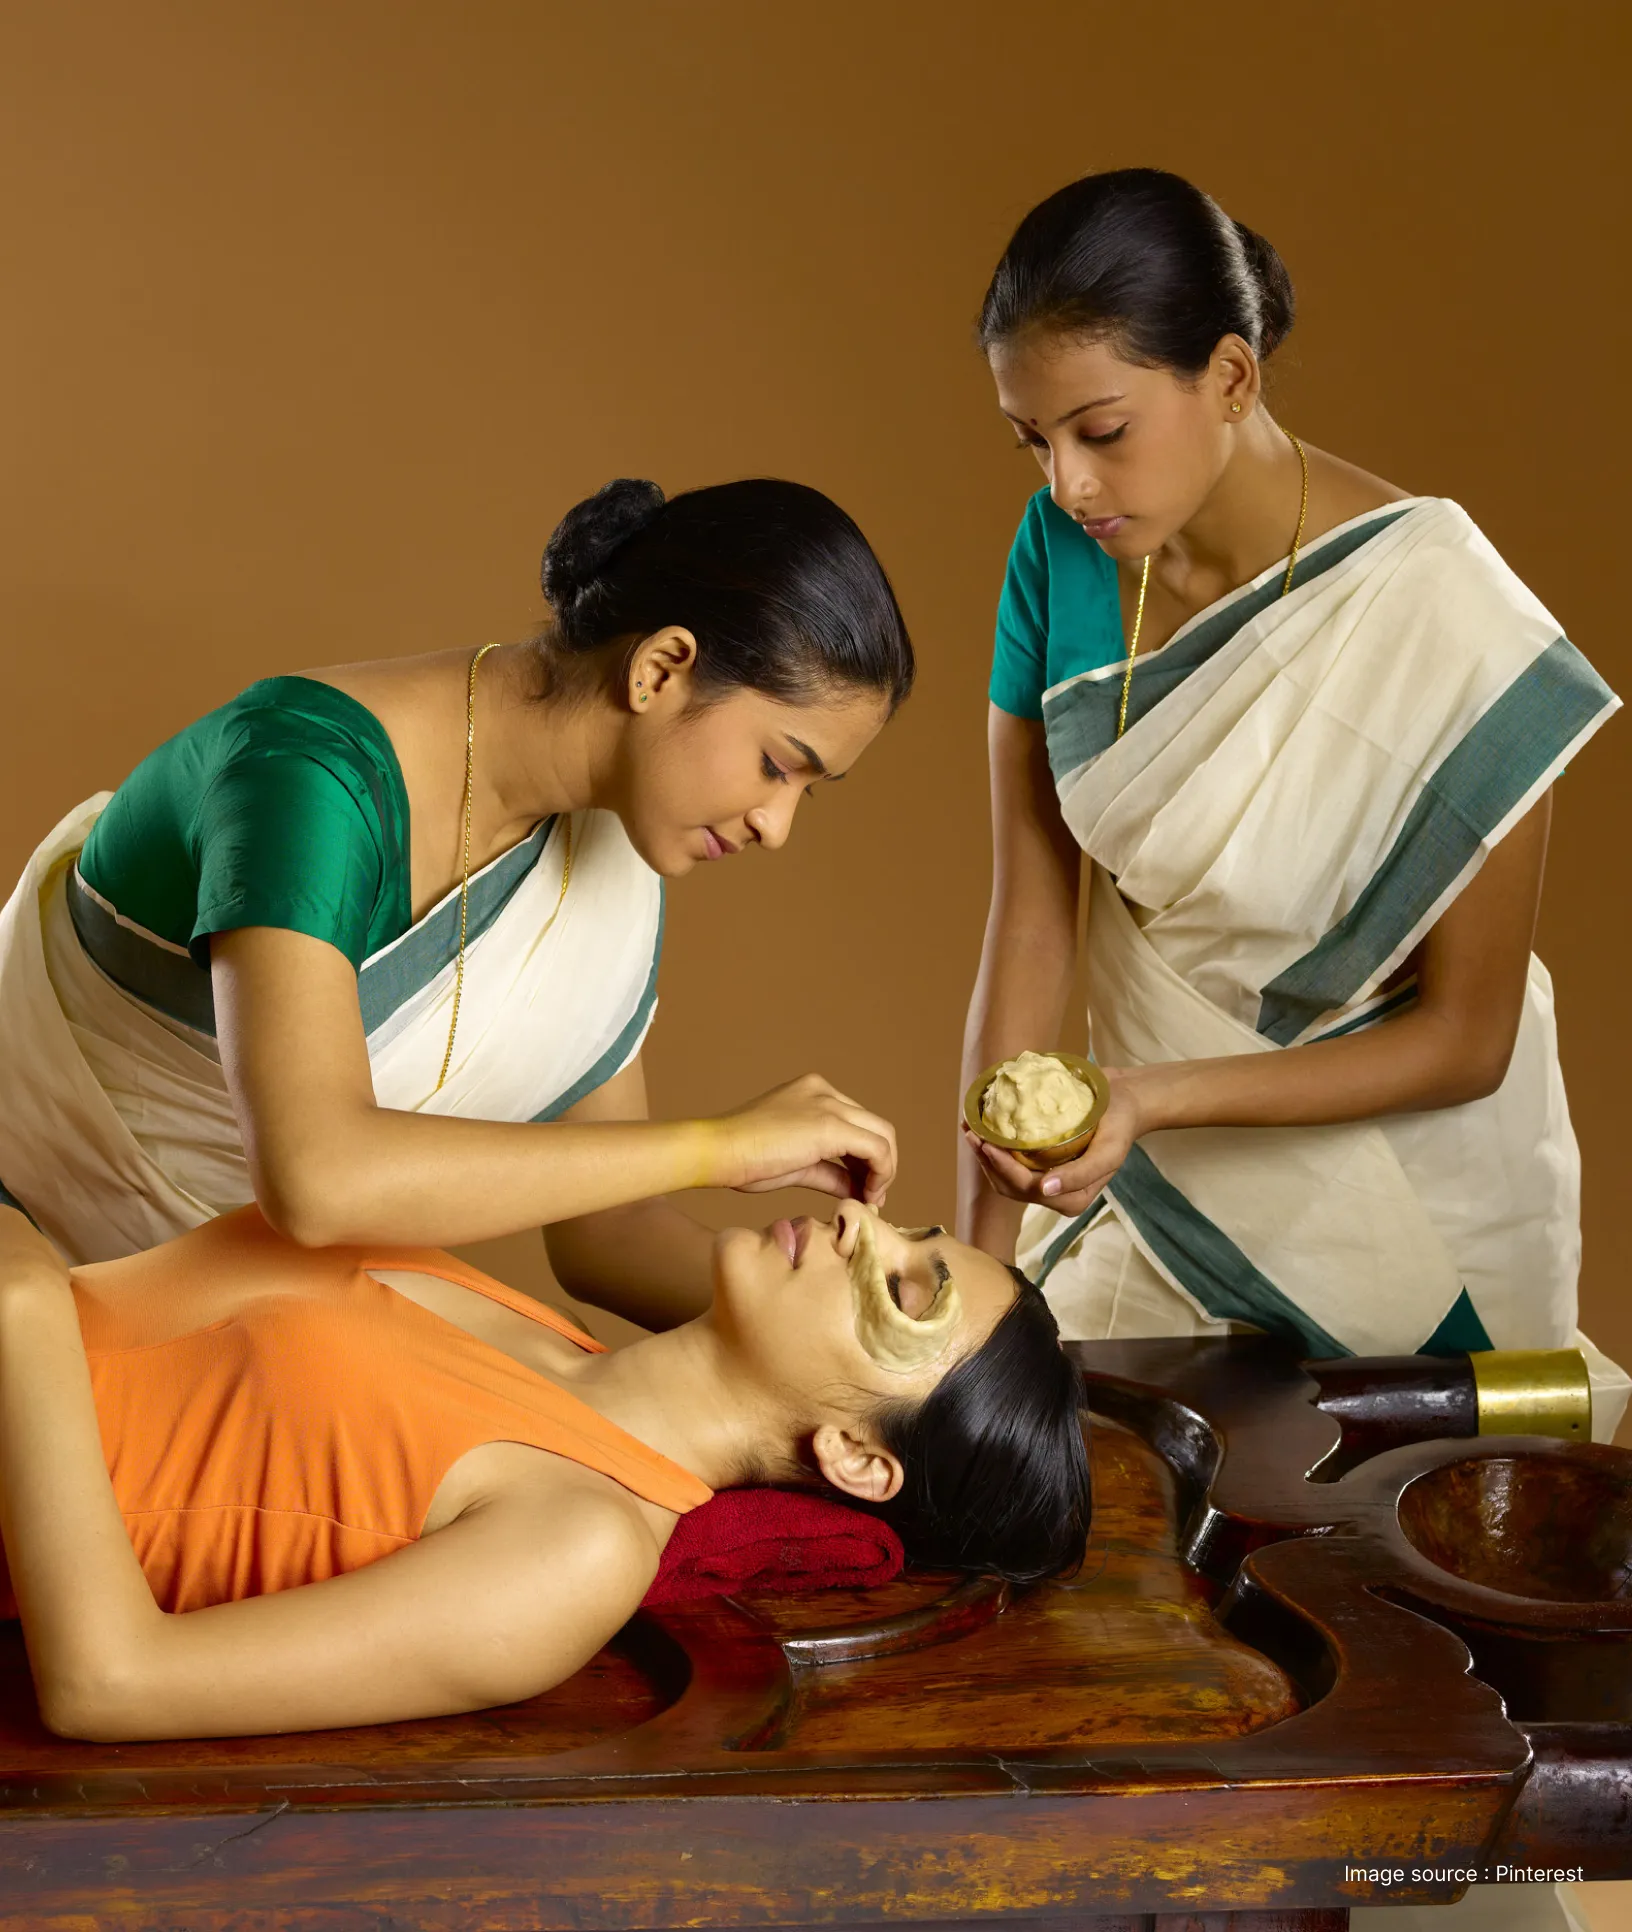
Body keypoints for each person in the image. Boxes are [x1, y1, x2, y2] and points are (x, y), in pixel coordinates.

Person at [957, 168, 1626, 1437]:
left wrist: (1151, 1098)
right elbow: (1032, 920)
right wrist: (986, 1290)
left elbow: (1466, 1041)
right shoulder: (1058, 556)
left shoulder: (1445, 613)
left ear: (1229, 377)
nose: (1067, 486)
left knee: (1409, 1586)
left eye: (1100, 431)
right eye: (1031, 440)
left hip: (1409, 1220)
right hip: (1149, 1186)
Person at [0, 477, 912, 1330]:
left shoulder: (605, 847)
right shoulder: (308, 779)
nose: (777, 825)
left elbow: (611, 1238)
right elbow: (319, 1179)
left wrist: (863, 1341)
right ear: (662, 668)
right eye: (777, 765)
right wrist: (723, 1147)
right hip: (32, 1270)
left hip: (260, 1322)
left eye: (808, 791)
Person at [0, 1197, 1091, 1742]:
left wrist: (22, 1300)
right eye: (911, 1232)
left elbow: (112, 1682)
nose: (861, 1219)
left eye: (906, 1288)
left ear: (857, 1457)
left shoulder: (579, 1546)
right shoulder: (541, 1333)